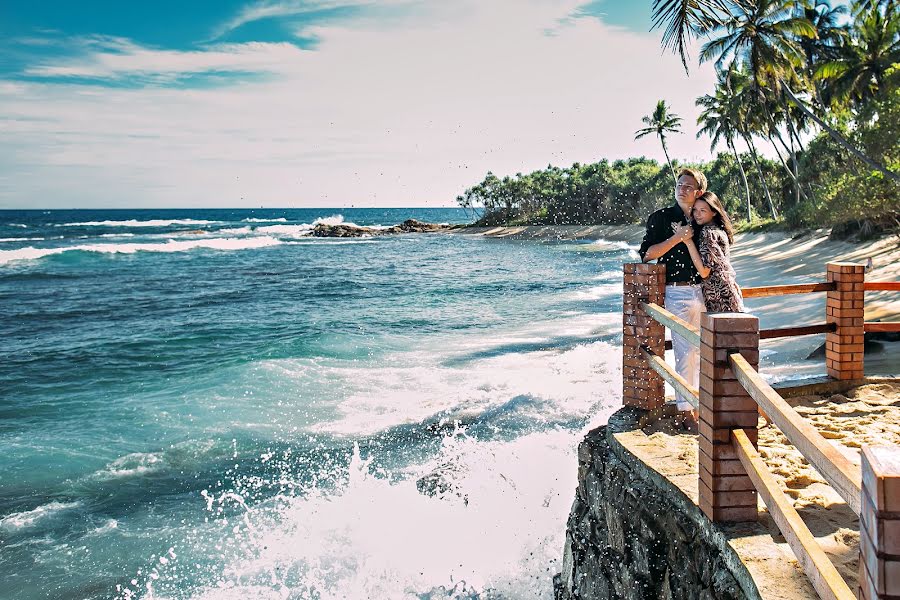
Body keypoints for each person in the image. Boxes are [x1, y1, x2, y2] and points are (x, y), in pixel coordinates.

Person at [638, 168, 707, 428]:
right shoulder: (661, 218)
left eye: (689, 186)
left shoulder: (704, 218)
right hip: (676, 290)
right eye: (679, 184)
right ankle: (685, 410)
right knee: (685, 350)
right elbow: (647, 254)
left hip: (704, 290)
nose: (682, 189)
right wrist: (677, 238)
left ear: (698, 192)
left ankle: (699, 404)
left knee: (702, 351)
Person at [683, 192, 744, 313]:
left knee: (724, 331)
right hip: (727, 291)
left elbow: (704, 272)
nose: (697, 214)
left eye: (703, 210)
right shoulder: (719, 230)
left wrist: (688, 241)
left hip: (720, 296)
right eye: (695, 210)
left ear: (714, 212)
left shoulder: (708, 233)